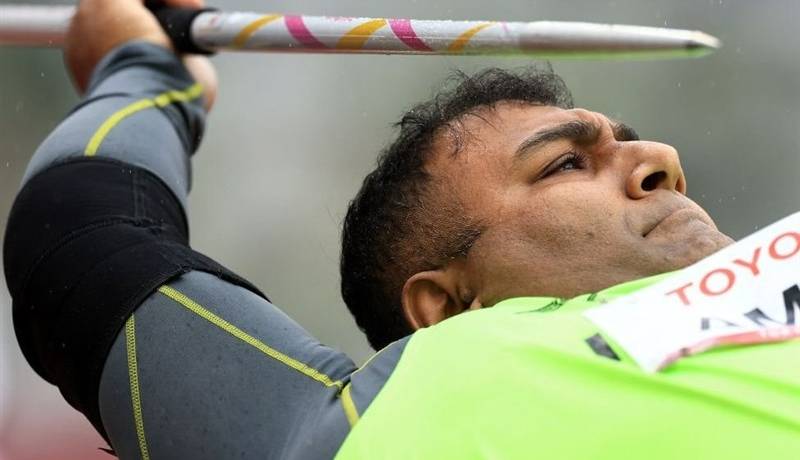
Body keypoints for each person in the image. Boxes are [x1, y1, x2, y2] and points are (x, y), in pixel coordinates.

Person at [4, 0, 800, 458]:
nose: (661, 159)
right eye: (565, 164)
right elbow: (81, 244)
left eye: (630, 144)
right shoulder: (408, 408)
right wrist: (141, 67)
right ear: (447, 308)